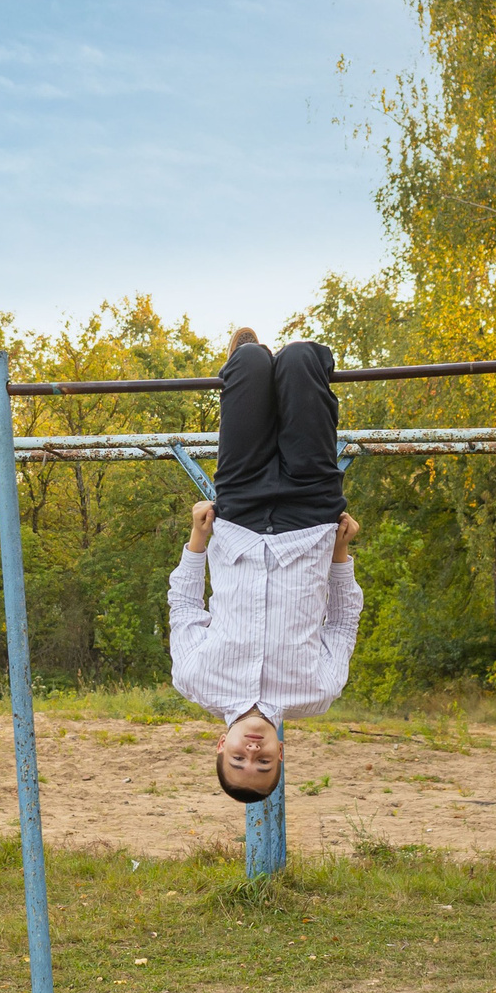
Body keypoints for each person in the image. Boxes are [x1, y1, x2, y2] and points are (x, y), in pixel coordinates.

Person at [168, 329, 362, 806]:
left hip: (240, 517)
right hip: (310, 518)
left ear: (221, 744)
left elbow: (185, 605)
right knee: (300, 359)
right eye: (263, 762)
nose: (250, 752)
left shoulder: (194, 680)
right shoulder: (318, 692)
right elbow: (341, 620)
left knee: (251, 362)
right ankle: (290, 371)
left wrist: (197, 538)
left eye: (238, 760)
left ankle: (248, 366)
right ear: (282, 751)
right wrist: (340, 555)